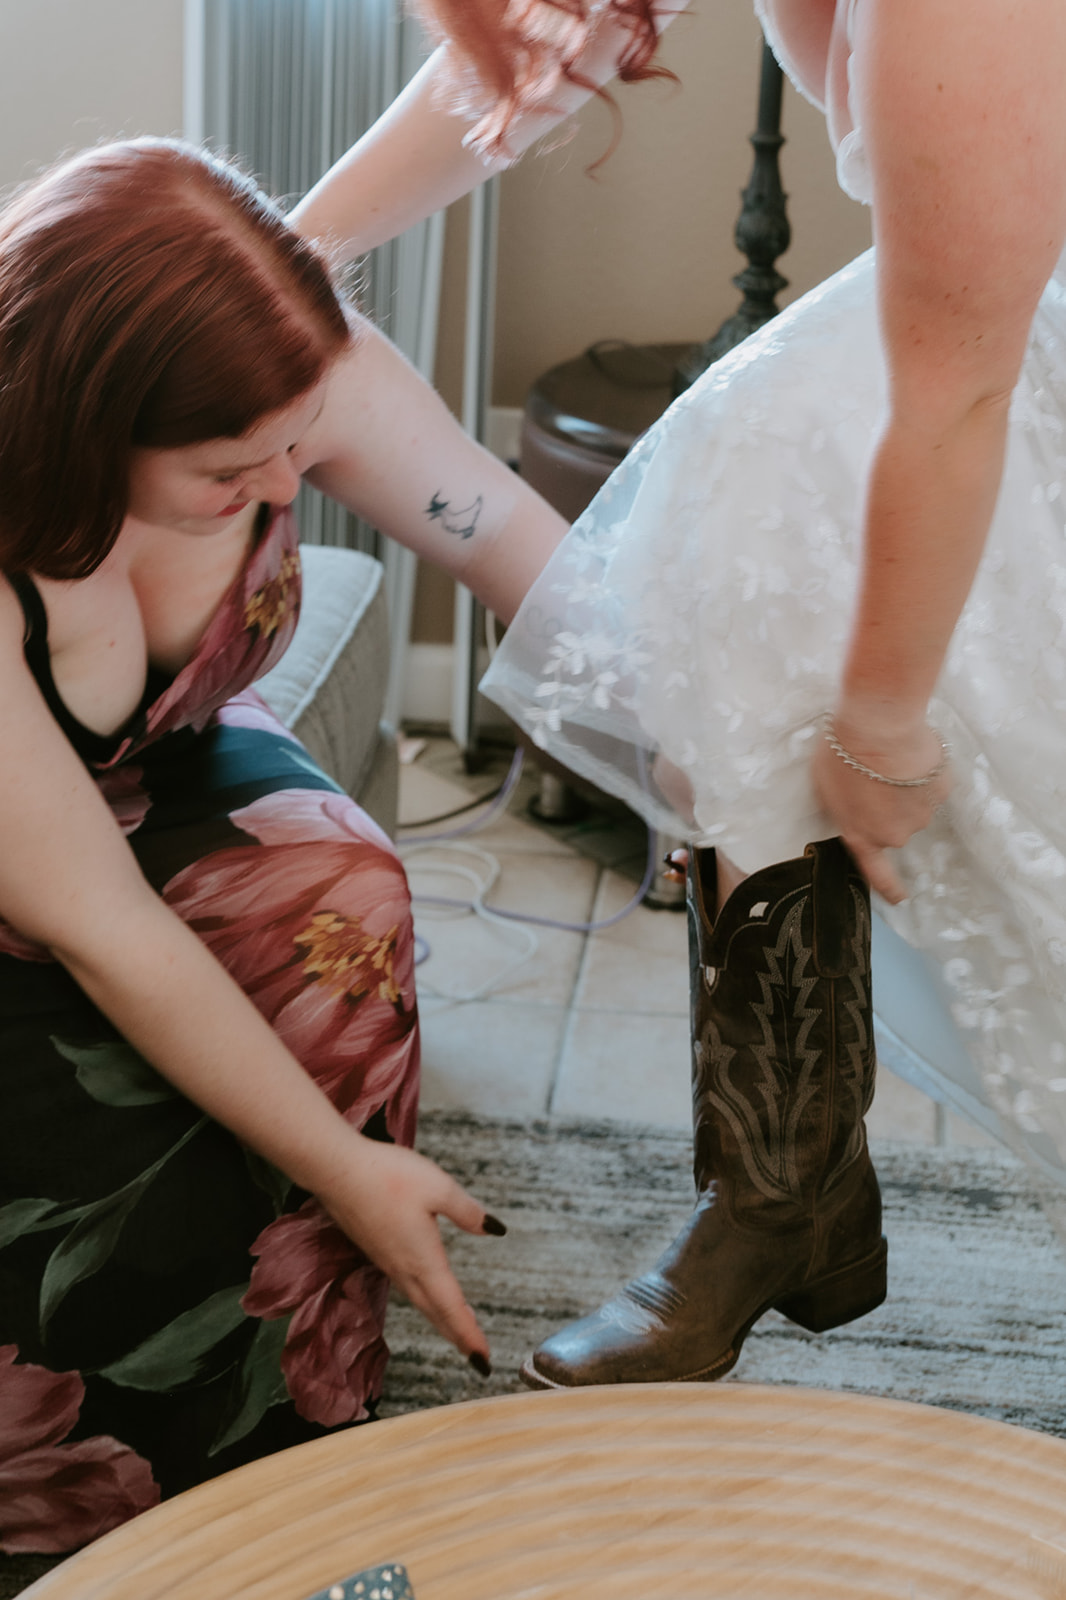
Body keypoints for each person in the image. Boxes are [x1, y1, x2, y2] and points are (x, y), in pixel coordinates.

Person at [290, 0, 1066, 1391]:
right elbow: (527, 57)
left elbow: (954, 396)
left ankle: (786, 1202)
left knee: (783, 469)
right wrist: (282, 259)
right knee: (755, 493)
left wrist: (880, 725)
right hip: (974, 334)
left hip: (996, 358)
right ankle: (782, 1191)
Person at [0, 136, 568, 1553]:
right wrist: (342, 1163)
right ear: (80, 422)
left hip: (147, 773)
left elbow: (516, 544)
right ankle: (107, 1516)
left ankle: (304, 1452)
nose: (281, 483)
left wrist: (714, 751)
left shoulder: (288, 381)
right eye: (227, 467)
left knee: (341, 892)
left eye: (296, 444)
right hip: (33, 859)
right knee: (95, 1131)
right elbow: (99, 921)